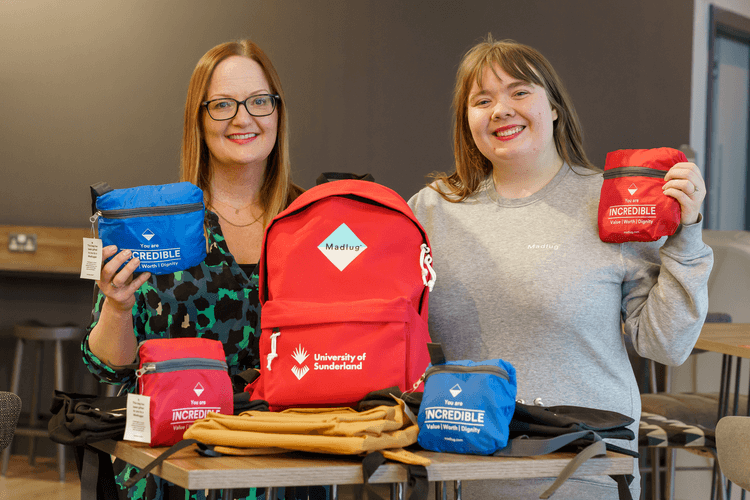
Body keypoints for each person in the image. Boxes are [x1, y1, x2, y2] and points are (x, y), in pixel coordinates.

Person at [407, 36, 713, 499]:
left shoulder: (612, 202)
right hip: (457, 468)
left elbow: (665, 345)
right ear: (466, 120)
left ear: (553, 107)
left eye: (519, 92)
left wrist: (687, 234)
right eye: (482, 100)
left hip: (580, 469)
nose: (500, 109)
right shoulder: (430, 211)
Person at [82, 40, 303, 500]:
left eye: (259, 101)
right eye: (223, 105)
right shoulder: (156, 222)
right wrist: (118, 309)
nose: (244, 118)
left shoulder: (312, 222)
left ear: (278, 112)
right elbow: (110, 368)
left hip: (292, 469)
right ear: (198, 120)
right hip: (175, 471)